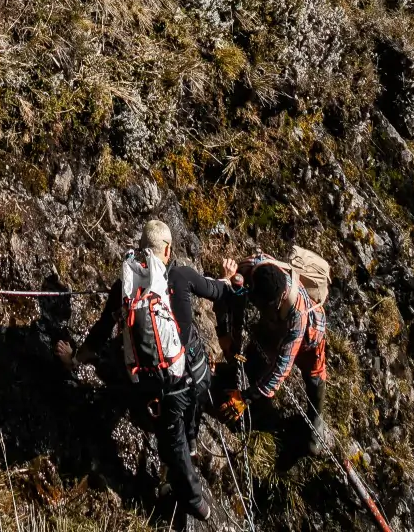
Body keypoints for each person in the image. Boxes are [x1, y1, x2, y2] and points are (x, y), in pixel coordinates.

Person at [57, 220, 238, 523]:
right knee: (187, 423)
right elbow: (217, 291)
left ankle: (184, 482)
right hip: (194, 372)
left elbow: (100, 334)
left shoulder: (125, 289)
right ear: (167, 249)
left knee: (172, 441)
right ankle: (194, 493)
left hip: (158, 388)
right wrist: (226, 278)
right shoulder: (180, 275)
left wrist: (74, 360)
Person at [218, 256, 328, 455]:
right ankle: (243, 373)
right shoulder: (253, 266)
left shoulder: (298, 317)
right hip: (273, 322)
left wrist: (245, 397)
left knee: (314, 376)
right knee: (259, 348)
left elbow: (280, 371)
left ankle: (316, 422)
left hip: (309, 337)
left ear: (279, 299)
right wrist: (224, 332)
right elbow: (228, 291)